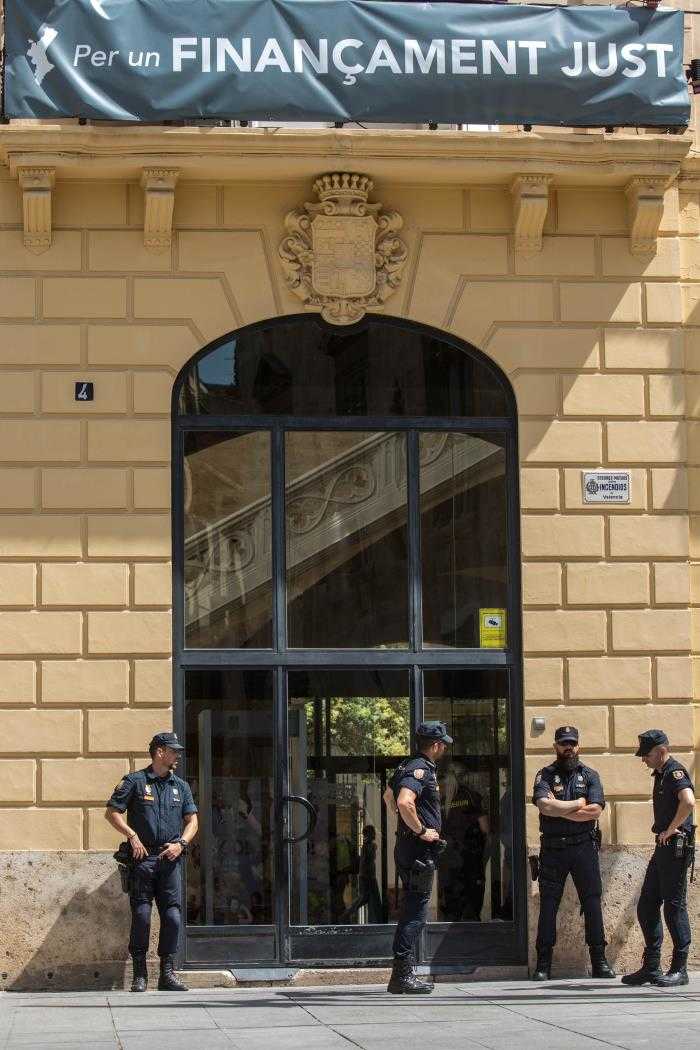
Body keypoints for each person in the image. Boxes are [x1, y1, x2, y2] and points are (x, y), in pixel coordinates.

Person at [105, 731, 198, 993]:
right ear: (160, 752)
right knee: (142, 916)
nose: (177, 755)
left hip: (170, 859)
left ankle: (167, 975)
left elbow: (193, 821)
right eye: (173, 750)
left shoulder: (180, 786)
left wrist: (181, 844)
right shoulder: (135, 782)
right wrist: (131, 835)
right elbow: (112, 812)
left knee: (173, 917)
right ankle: (140, 974)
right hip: (142, 860)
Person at [531, 726, 615, 981]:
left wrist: (561, 810)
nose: (568, 748)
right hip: (553, 848)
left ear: (578, 746)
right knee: (548, 905)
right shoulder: (544, 775)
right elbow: (544, 806)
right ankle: (543, 964)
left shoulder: (590, 775)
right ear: (555, 746)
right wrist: (578, 804)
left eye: (572, 743)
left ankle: (599, 961)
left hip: (583, 847)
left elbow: (595, 811)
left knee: (592, 902)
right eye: (563, 743)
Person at [622, 730, 695, 988]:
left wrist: (673, 827)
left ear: (662, 751)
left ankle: (679, 968)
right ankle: (651, 967)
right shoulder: (661, 774)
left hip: (674, 847)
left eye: (647, 754)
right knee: (647, 905)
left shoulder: (675, 772)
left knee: (674, 907)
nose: (644, 760)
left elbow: (688, 802)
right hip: (663, 848)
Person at [383, 720, 452, 994]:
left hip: (408, 847)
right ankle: (401, 975)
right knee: (415, 911)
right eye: (443, 743)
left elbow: (388, 796)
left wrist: (403, 825)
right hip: (418, 850)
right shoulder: (421, 769)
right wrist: (421, 830)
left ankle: (402, 974)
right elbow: (402, 801)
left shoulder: (404, 766)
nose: (444, 747)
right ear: (436, 745)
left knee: (413, 907)